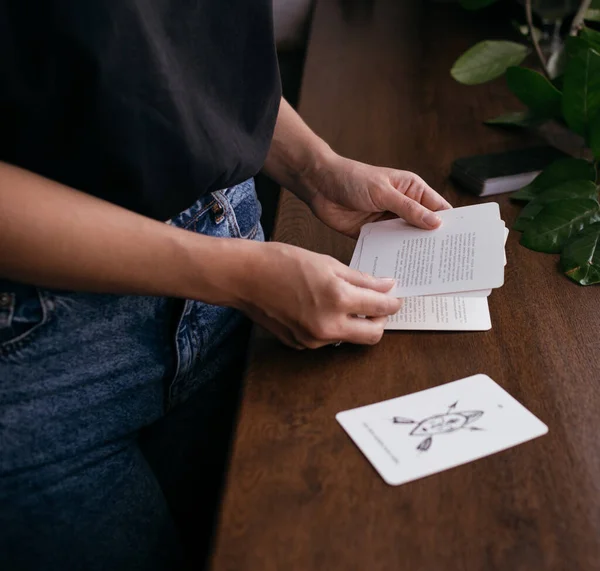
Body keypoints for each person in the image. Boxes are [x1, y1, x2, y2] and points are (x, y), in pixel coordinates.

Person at [0, 1, 451, 569]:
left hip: (231, 261)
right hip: (38, 357)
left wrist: (317, 167)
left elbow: (182, 55)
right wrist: (237, 274)